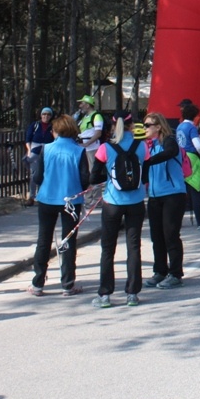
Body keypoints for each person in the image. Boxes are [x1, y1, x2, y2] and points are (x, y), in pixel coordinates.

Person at [90, 113, 147, 308]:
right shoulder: (142, 146)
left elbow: (93, 177)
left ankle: (105, 294)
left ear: (113, 126)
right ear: (132, 126)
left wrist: (108, 178)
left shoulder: (105, 148)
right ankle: (132, 293)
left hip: (112, 202)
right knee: (134, 246)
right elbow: (145, 174)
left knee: (108, 248)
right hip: (136, 201)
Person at [28, 114, 89, 296]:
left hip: (47, 198)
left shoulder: (46, 149)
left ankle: (38, 283)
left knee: (43, 240)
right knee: (68, 241)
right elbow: (85, 179)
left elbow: (37, 177)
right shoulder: (79, 151)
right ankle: (67, 284)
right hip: (71, 200)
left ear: (55, 131)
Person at [141, 113, 188, 289]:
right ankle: (160, 271)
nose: (145, 128)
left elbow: (170, 153)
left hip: (173, 194)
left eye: (148, 125)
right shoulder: (149, 145)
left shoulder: (169, 141)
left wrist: (149, 161)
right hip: (154, 196)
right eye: (144, 125)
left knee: (171, 234)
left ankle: (175, 274)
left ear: (158, 126)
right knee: (157, 236)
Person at [178, 103, 200, 229]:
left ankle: (178, 220)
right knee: (196, 191)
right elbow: (198, 144)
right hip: (192, 158)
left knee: (184, 192)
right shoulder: (191, 127)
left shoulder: (180, 126)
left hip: (182, 158)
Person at [24, 106, 54, 202]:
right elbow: (28, 139)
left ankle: (42, 195)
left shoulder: (53, 126)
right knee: (34, 174)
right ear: (41, 115)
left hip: (48, 152)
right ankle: (31, 196)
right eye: (44, 114)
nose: (46, 116)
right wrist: (29, 150)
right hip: (35, 151)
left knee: (46, 174)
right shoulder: (35, 125)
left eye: (48, 114)